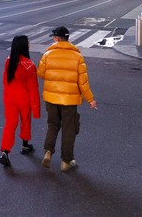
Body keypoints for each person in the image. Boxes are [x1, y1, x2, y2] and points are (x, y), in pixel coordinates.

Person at [37, 26, 97, 172]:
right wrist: (90, 99)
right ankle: (66, 161)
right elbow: (82, 83)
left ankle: (48, 152)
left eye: (53, 37)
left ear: (57, 38)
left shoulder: (47, 54)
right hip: (69, 101)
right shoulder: (78, 57)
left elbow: (41, 74)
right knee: (68, 129)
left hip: (51, 98)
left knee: (53, 125)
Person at [0, 35, 41, 167]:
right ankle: (25, 145)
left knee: (10, 124)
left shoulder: (8, 60)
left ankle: (5, 151)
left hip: (10, 98)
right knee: (25, 121)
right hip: (24, 98)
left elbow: (5, 81)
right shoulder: (29, 65)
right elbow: (33, 88)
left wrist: (7, 95)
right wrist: (36, 109)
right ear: (24, 46)